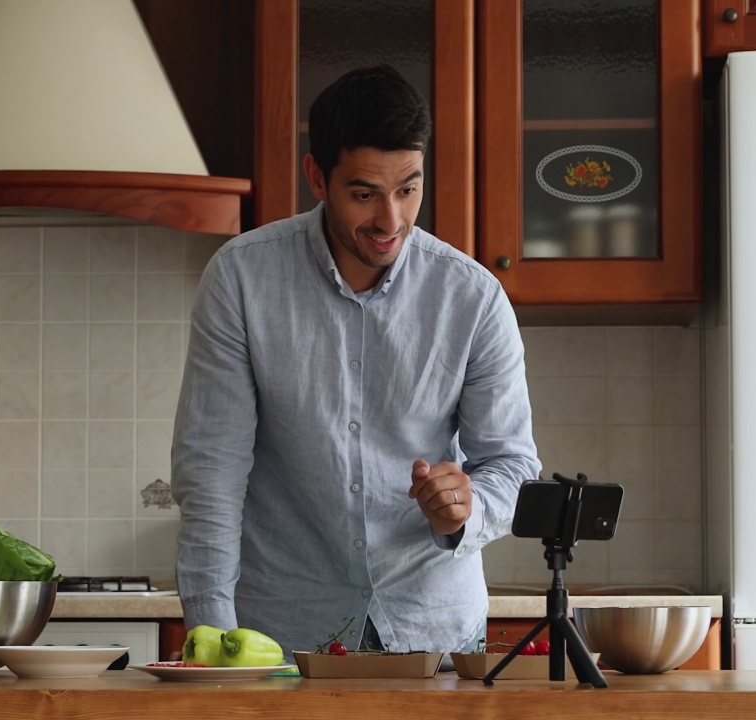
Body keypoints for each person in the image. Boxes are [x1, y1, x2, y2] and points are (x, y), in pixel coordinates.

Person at [171, 64, 540, 659]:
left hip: (434, 630)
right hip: (279, 633)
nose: (390, 220)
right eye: (364, 193)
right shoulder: (241, 280)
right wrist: (212, 631)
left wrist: (466, 510)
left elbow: (512, 462)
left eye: (408, 189)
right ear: (317, 175)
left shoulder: (472, 296)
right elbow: (212, 470)